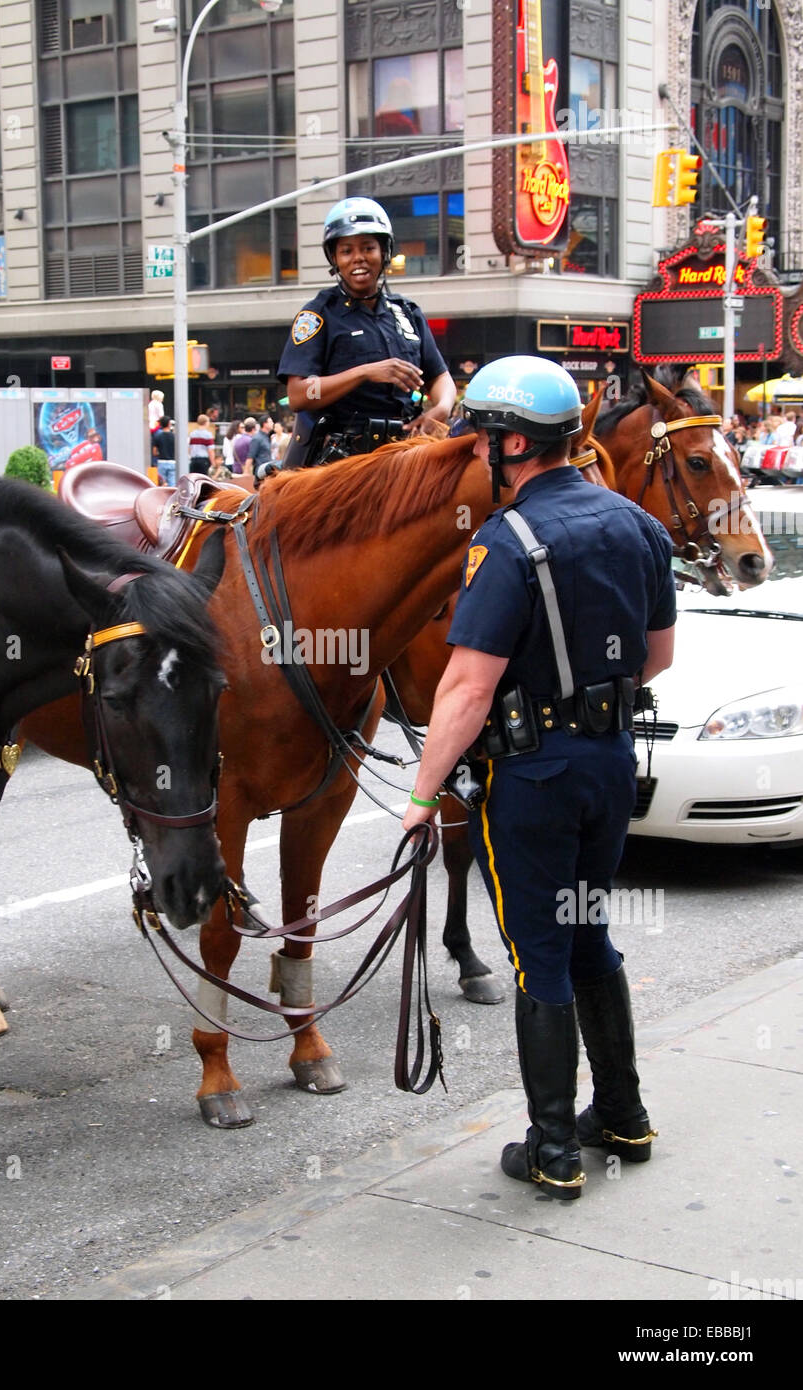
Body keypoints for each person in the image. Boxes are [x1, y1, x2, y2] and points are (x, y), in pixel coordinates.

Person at [402, 356, 676, 1201]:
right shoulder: (637, 526)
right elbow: (655, 659)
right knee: (589, 934)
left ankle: (554, 1150)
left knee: (538, 960)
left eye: (483, 437)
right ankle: (622, 1117)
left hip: (534, 778)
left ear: (512, 442)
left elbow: (466, 687)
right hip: (608, 767)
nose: (478, 450)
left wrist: (419, 799)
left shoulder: (507, 541)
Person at [277, 196, 456, 470]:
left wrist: (441, 409)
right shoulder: (318, 315)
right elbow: (299, 395)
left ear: (384, 252)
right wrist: (364, 372)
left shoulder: (407, 313)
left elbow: (440, 377)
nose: (358, 258)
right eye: (346, 250)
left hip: (408, 452)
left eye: (368, 248)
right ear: (335, 259)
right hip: (344, 464)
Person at [248, 414, 276, 483]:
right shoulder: (257, 438)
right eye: (270, 422)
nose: (273, 423)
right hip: (260, 472)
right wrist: (246, 472)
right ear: (265, 424)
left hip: (267, 470)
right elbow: (250, 456)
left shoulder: (267, 437)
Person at [152, 417, 176, 486]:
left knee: (162, 483)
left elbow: (154, 452)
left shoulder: (157, 436)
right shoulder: (174, 436)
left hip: (161, 462)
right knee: (172, 483)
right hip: (172, 462)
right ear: (169, 424)